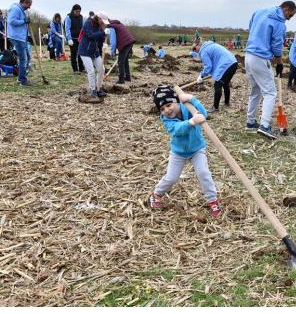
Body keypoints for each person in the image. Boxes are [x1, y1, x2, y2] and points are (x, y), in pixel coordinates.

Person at [149, 85, 222, 217]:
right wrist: (191, 122)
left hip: (197, 149)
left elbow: (203, 115)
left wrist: (192, 99)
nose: (167, 110)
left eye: (169, 105)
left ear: (176, 101)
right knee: (171, 178)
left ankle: (213, 201)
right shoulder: (166, 120)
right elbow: (177, 129)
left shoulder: (187, 107)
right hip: (178, 152)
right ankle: (156, 194)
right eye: (162, 108)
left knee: (204, 173)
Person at [244, 1, 296, 139]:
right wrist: (279, 62)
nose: (289, 18)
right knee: (270, 93)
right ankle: (265, 126)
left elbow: (251, 26)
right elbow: (277, 45)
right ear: (286, 9)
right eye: (290, 15)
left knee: (255, 89)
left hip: (248, 55)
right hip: (260, 58)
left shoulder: (261, 10)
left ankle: (250, 122)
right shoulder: (280, 23)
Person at [194, 39, 238, 112]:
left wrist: (201, 75)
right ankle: (227, 103)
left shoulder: (204, 51)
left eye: (194, 48)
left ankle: (215, 107)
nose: (194, 50)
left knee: (218, 84)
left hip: (226, 64)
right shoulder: (210, 45)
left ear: (198, 45)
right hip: (233, 62)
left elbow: (208, 67)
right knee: (225, 83)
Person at [78, 13, 107, 103]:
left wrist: (104, 40)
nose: (103, 23)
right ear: (98, 18)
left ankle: (98, 88)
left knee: (101, 69)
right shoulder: (88, 23)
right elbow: (90, 35)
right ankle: (93, 90)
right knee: (91, 71)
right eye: (102, 21)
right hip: (85, 51)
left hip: (95, 52)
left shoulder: (100, 26)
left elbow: (100, 39)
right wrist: (102, 33)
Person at [99, 13, 135, 84]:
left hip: (125, 43)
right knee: (125, 61)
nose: (103, 26)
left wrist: (112, 51)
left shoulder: (112, 27)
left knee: (120, 61)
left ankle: (121, 79)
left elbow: (113, 42)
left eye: (103, 24)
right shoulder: (117, 23)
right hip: (130, 42)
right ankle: (128, 77)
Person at [8, 0, 33, 86]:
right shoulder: (15, 9)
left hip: (22, 37)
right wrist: (23, 21)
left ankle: (23, 76)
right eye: (28, 5)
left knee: (28, 57)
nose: (29, 7)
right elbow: (11, 21)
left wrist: (28, 35)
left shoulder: (21, 11)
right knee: (23, 59)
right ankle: (22, 80)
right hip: (17, 37)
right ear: (24, 3)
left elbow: (23, 25)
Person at [65, 4, 85, 74]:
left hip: (79, 38)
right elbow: (67, 28)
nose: (78, 13)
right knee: (74, 54)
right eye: (76, 11)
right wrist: (69, 38)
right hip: (72, 38)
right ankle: (75, 69)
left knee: (80, 53)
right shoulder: (69, 17)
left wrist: (83, 37)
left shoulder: (81, 17)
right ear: (73, 10)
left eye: (79, 11)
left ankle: (81, 68)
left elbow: (82, 28)